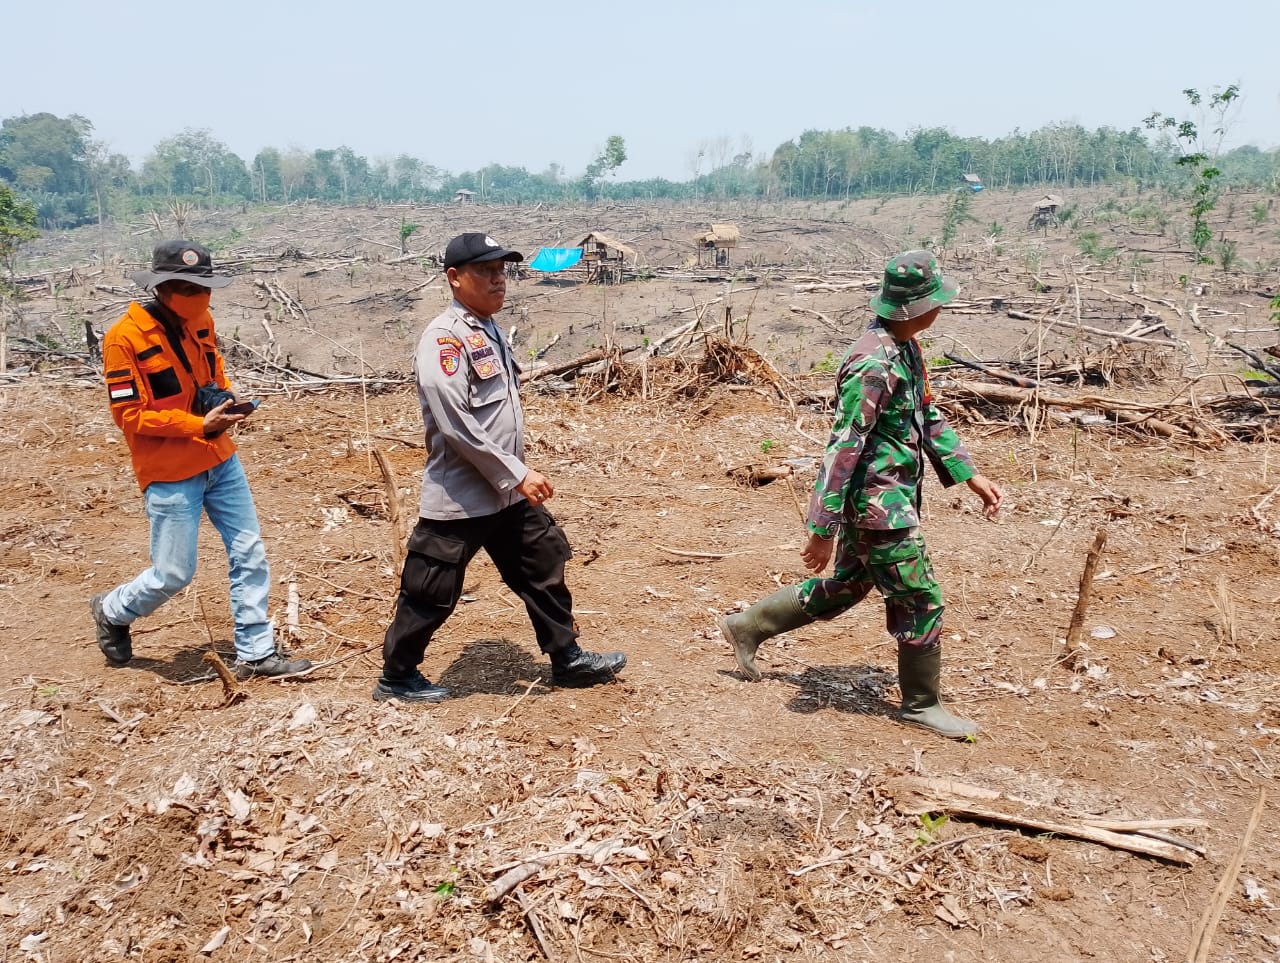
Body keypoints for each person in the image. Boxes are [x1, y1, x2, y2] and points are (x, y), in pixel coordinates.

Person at [719, 250, 1002, 739]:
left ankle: (749, 625)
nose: (941, 309)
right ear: (915, 308)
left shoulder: (905, 348)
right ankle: (921, 703)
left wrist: (966, 473)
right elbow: (843, 448)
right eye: (936, 302)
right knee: (920, 598)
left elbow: (926, 415)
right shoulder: (872, 363)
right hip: (876, 505)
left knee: (850, 585)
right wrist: (820, 528)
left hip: (890, 497)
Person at [375, 232, 626, 703]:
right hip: (463, 494)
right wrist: (516, 472)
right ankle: (398, 676)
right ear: (454, 278)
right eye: (485, 272)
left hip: (508, 492)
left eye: (502, 271)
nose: (498, 281)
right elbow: (455, 422)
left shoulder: (486, 328)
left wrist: (514, 477)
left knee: (543, 565)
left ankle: (566, 659)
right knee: (430, 587)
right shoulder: (444, 339)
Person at [90, 241, 309, 679]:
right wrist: (196, 425)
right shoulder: (123, 340)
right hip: (170, 471)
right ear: (164, 288)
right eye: (192, 288)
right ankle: (113, 609)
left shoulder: (202, 321)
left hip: (219, 458)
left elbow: (213, 372)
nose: (202, 296)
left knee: (249, 551)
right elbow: (129, 415)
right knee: (173, 573)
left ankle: (256, 650)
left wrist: (228, 402)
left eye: (205, 287)